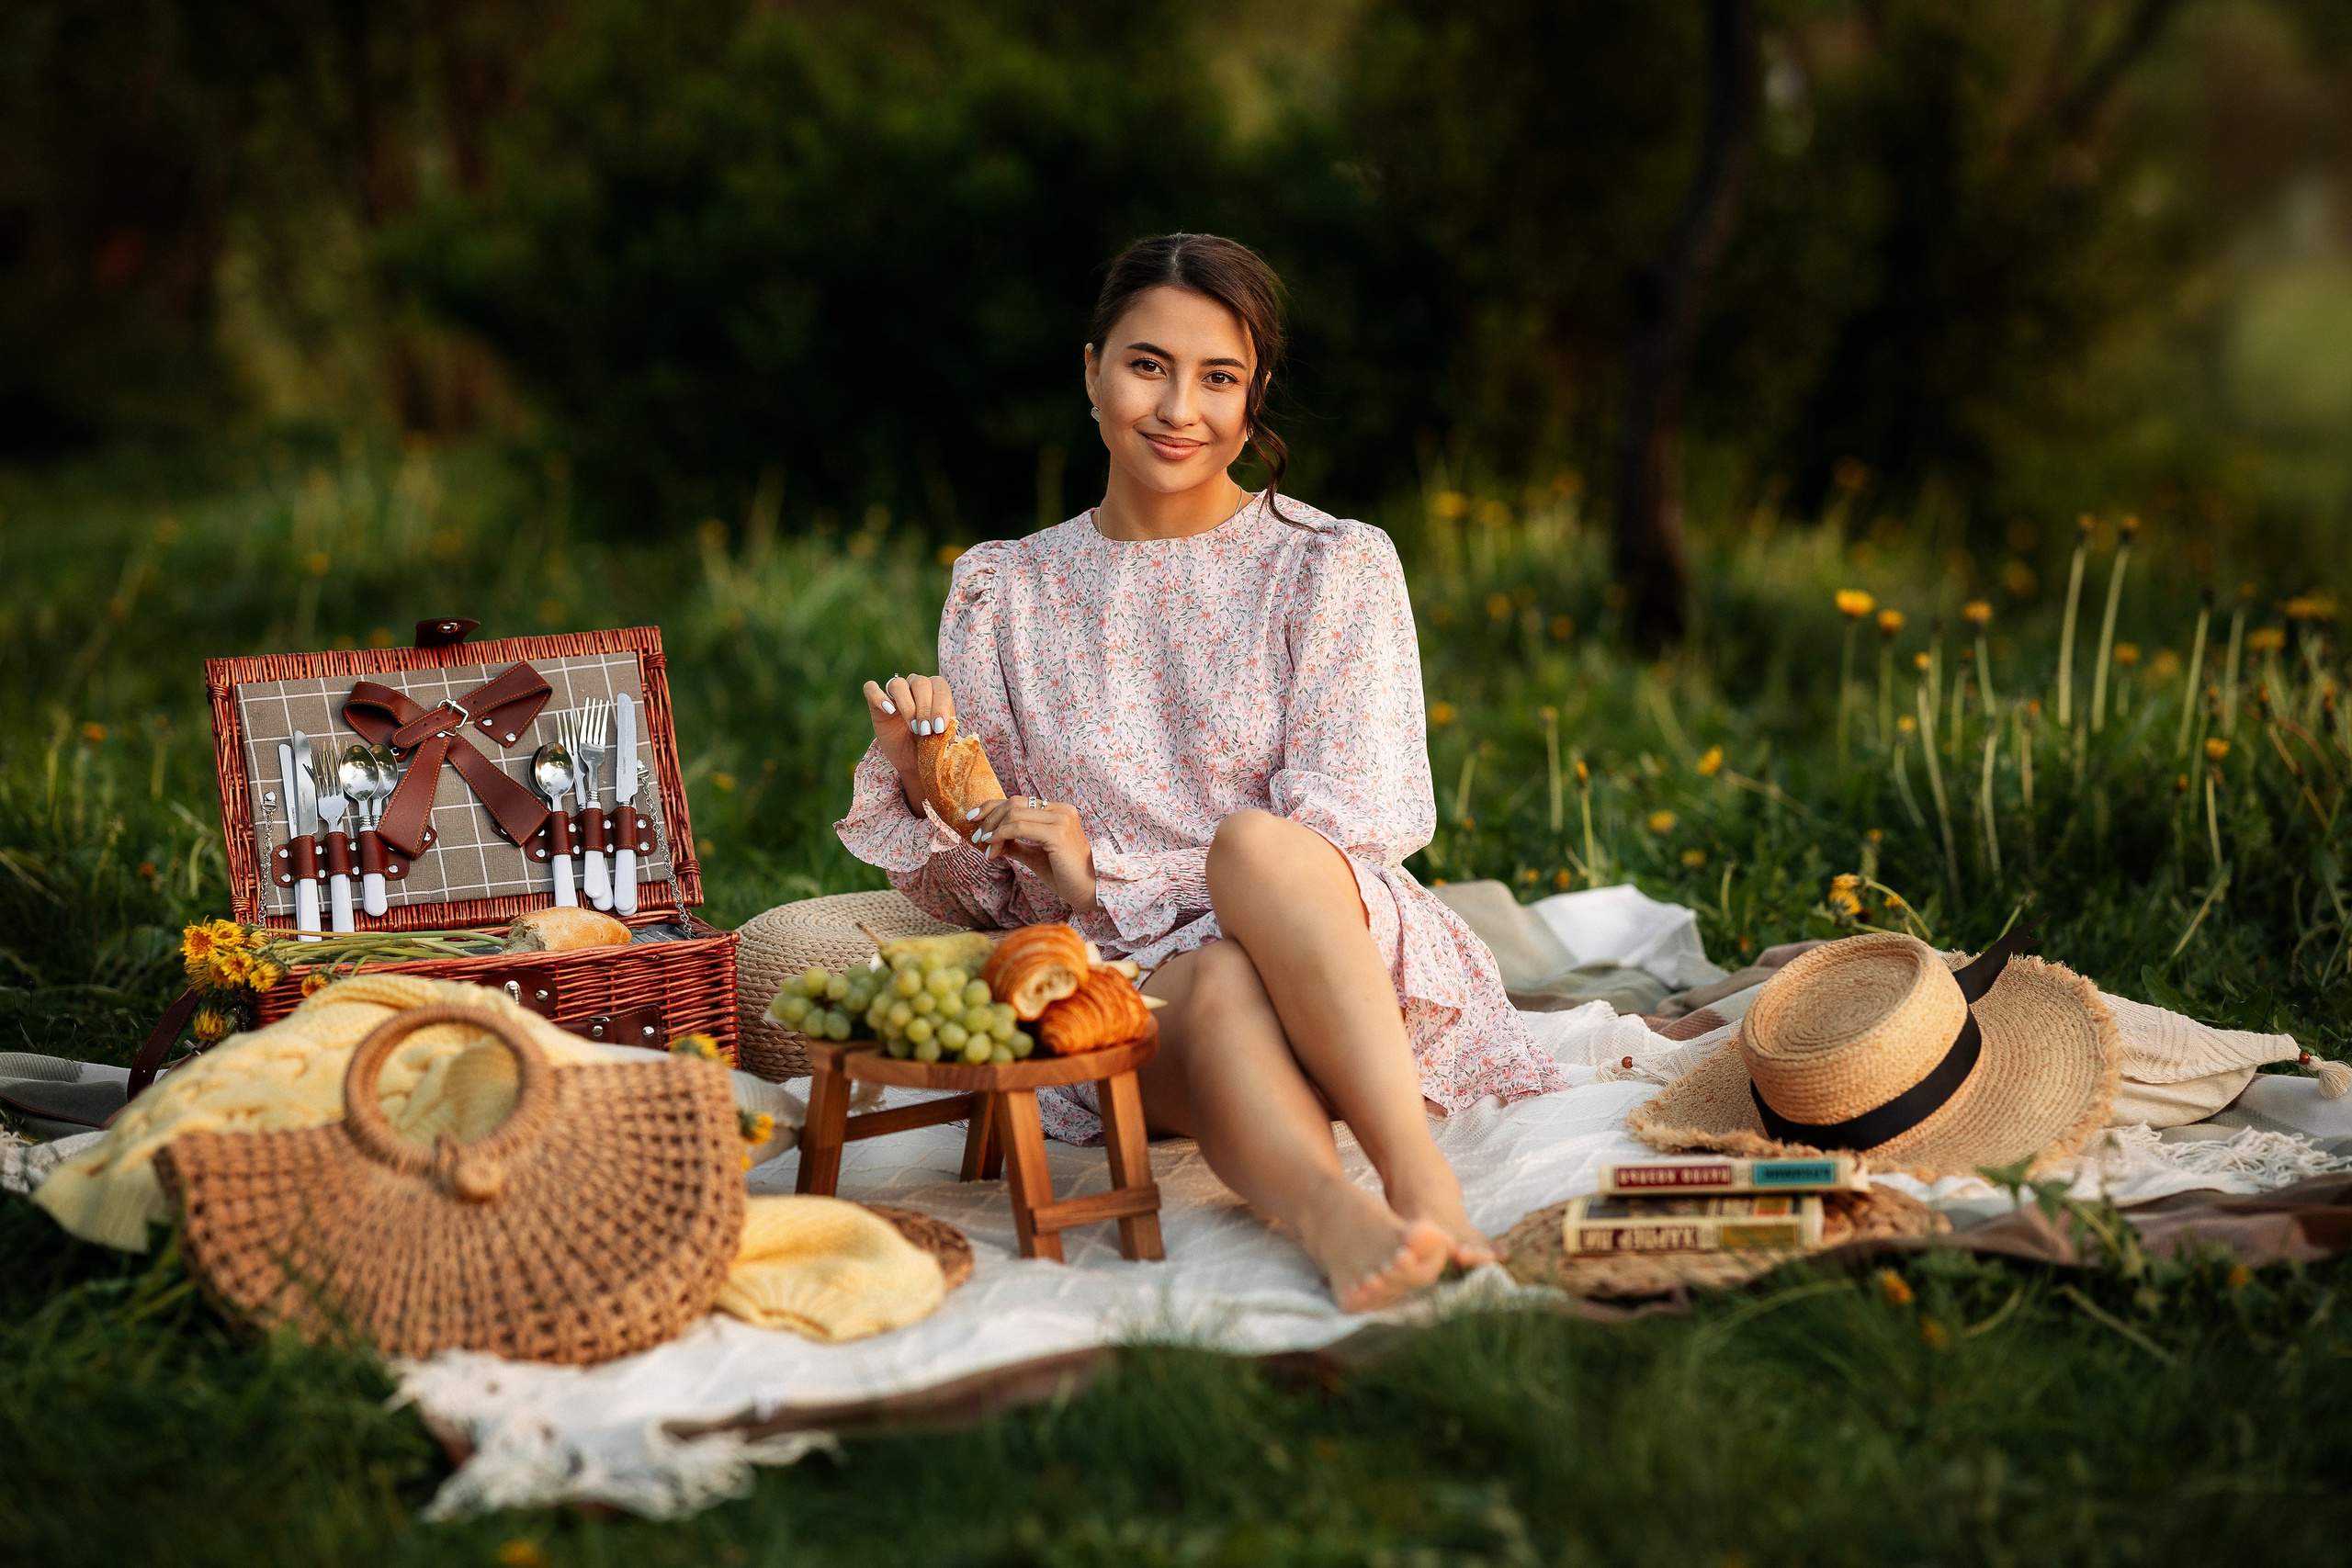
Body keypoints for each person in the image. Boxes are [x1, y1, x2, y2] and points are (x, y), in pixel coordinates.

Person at [836, 232, 1564, 1311]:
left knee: (1254, 847)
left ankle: (1421, 1181)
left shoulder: (1330, 564)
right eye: (1146, 365)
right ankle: (1340, 1222)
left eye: (1218, 377)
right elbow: (996, 888)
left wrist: (1110, 876)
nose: (1179, 408)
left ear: (1254, 393)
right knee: (1212, 980)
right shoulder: (1006, 591)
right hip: (1156, 989)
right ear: (1090, 372)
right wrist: (925, 784)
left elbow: (1354, 819)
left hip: (1338, 970)